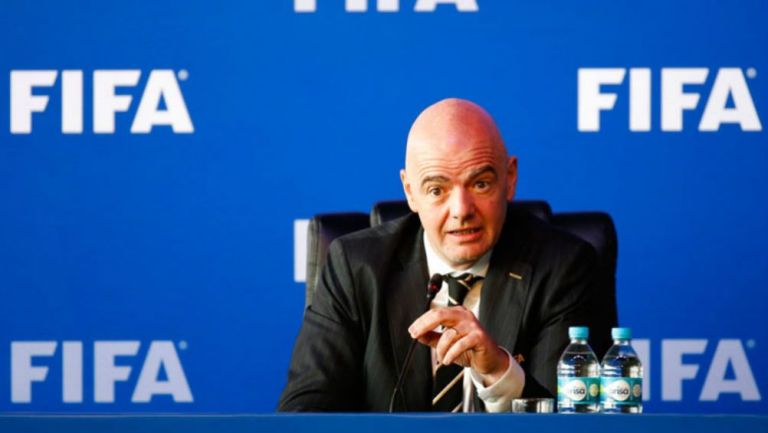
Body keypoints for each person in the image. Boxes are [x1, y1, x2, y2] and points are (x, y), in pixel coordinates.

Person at [278, 98, 601, 412]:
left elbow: (573, 421)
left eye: (480, 184)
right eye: (436, 190)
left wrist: (498, 371)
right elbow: (304, 412)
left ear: (510, 177)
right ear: (410, 191)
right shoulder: (355, 266)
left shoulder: (564, 266)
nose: (461, 210)